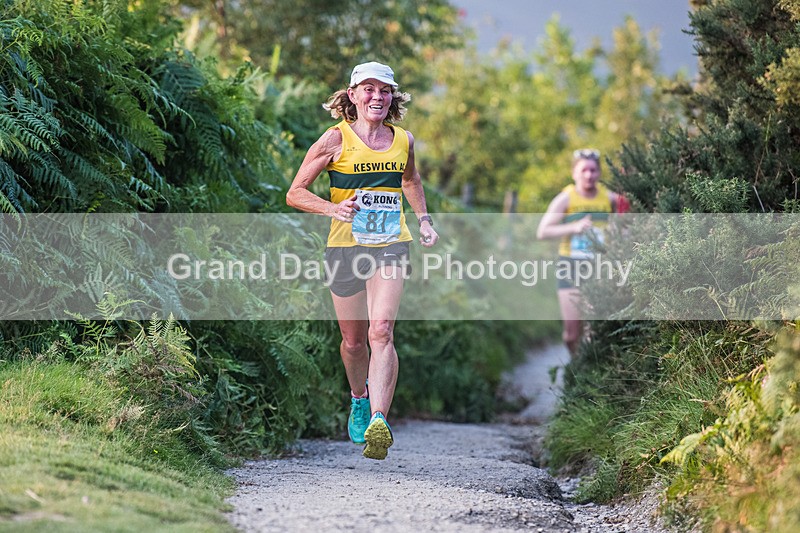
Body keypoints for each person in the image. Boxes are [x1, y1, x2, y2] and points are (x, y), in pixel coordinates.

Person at [286, 61, 438, 460]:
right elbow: (295, 192)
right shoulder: (335, 139)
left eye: (384, 90)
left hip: (391, 243)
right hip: (344, 247)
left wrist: (423, 219)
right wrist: (332, 209)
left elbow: (411, 180)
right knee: (354, 343)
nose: (377, 96)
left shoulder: (402, 139)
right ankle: (358, 396)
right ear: (352, 96)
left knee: (382, 331)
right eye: (368, 89)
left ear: (393, 97)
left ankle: (379, 422)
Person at [536, 149, 622, 356]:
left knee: (594, 329)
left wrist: (617, 231)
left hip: (600, 266)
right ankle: (574, 366)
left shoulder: (610, 198)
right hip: (570, 265)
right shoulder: (565, 199)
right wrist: (572, 227)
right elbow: (542, 231)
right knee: (571, 334)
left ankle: (588, 374)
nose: (589, 175)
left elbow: (627, 225)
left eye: (593, 170)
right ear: (574, 173)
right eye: (584, 170)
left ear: (599, 173)